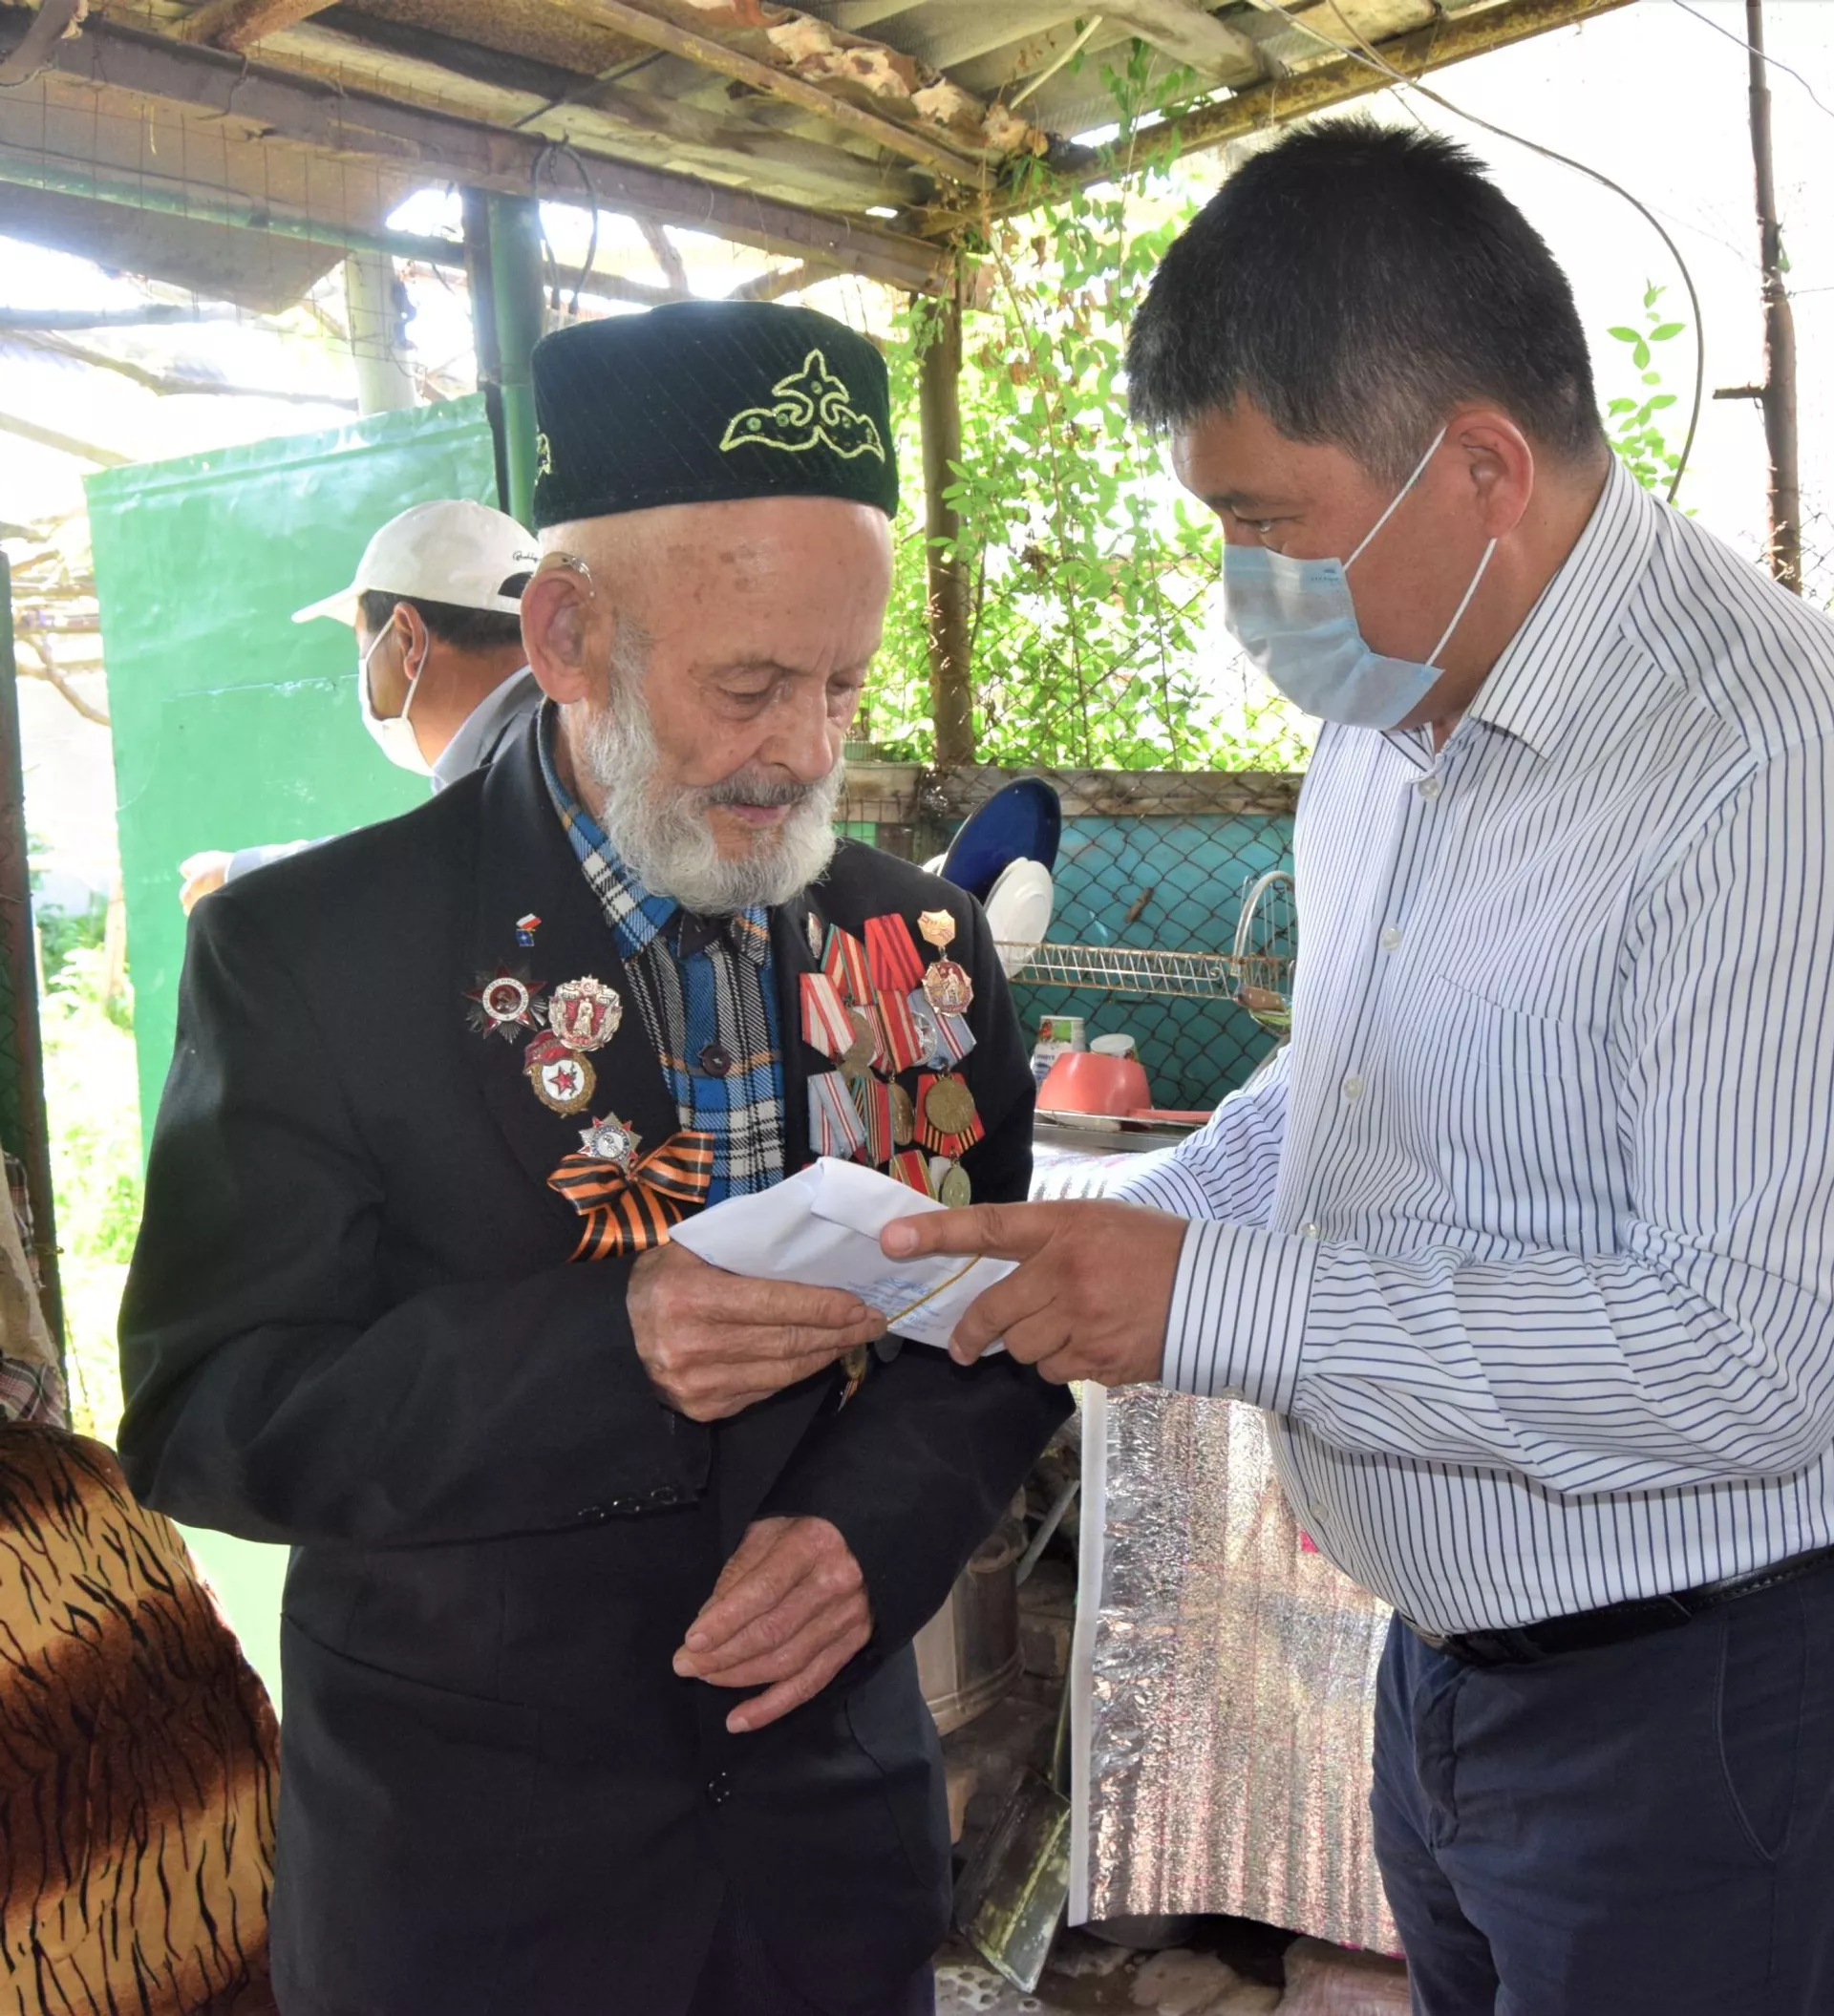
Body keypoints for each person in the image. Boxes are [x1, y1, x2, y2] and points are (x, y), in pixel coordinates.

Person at [883, 121, 1834, 2015]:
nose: (1245, 588)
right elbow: (1340, 1093)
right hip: (1451, 1678)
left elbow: (1756, 1355)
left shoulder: (1760, 767)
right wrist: (1119, 1229)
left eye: (1270, 525)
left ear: (1483, 466)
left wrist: (1213, 1297)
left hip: (1703, 1717)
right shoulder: (1392, 712)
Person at [118, 300, 1069, 2016]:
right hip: (479, 1885)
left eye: (842, 686)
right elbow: (208, 1411)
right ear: (566, 634)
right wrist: (605, 1347)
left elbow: (995, 1327)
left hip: (827, 1866)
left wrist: (869, 1538)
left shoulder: (919, 947)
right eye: (748, 685)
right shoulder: (313, 954)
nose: (807, 750)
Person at [178, 498, 541, 911]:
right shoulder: (538, 736)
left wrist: (245, 881)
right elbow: (416, 851)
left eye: (363, 646)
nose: (364, 668)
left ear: (408, 639)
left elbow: (419, 870)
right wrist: (243, 871)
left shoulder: (529, 768)